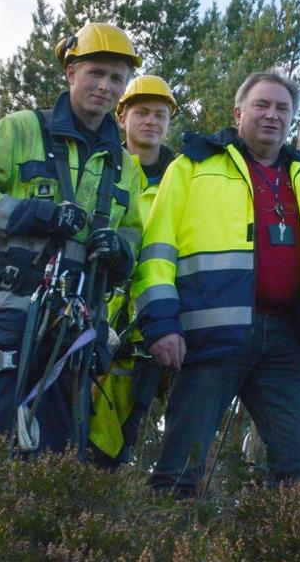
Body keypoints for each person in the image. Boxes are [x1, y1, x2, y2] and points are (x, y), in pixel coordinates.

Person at [132, 71, 300, 496]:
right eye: (262, 105)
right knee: (180, 469)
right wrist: (161, 324)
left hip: (288, 342)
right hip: (208, 335)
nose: (272, 115)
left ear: (292, 119)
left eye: (282, 108)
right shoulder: (193, 165)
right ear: (238, 113)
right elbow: (156, 250)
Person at [0, 22, 144, 457]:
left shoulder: (125, 167)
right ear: (71, 73)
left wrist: (120, 250)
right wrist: (35, 214)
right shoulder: (20, 130)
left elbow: (135, 236)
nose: (105, 86)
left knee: (55, 461)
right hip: (8, 311)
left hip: (76, 327)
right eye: (96, 73)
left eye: (116, 79)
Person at [89, 75, 178, 466]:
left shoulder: (184, 181)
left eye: (160, 115)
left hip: (146, 338)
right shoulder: (100, 167)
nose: (151, 122)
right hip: (88, 324)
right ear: (122, 116)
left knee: (113, 449)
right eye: (142, 112)